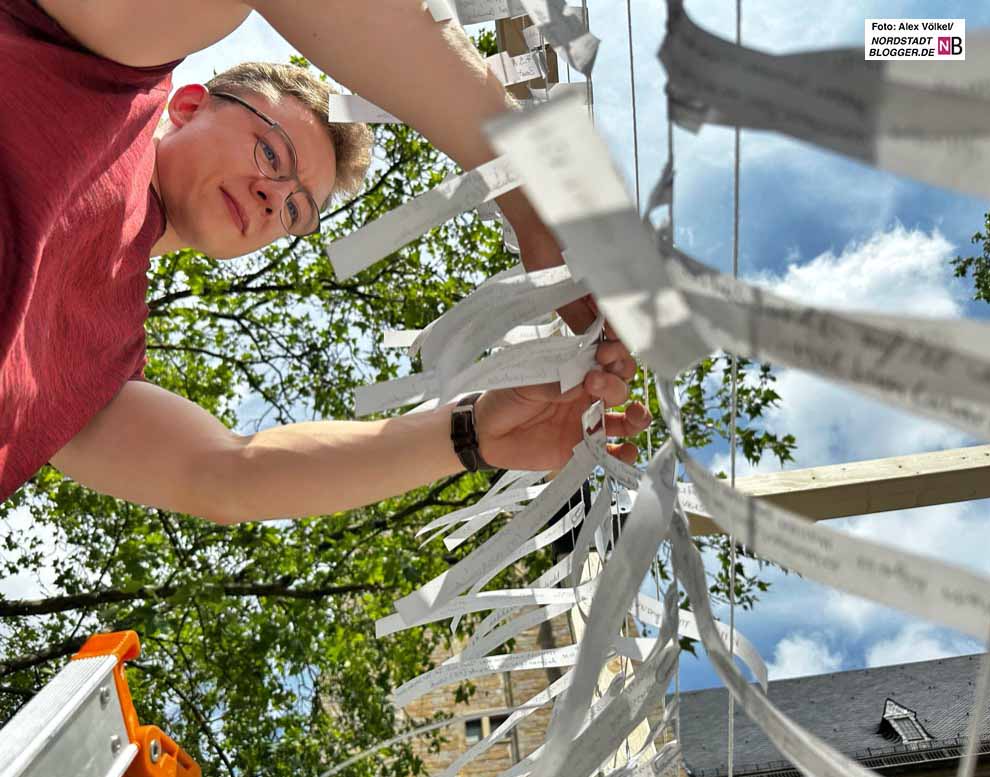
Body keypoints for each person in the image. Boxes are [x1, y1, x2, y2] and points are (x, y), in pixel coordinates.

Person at [0, 0, 651, 523]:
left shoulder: (97, 362)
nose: (272, 196)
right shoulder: (102, 64)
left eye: (293, 211)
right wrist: (529, 185)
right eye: (270, 153)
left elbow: (224, 477)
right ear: (191, 105)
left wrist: (471, 435)